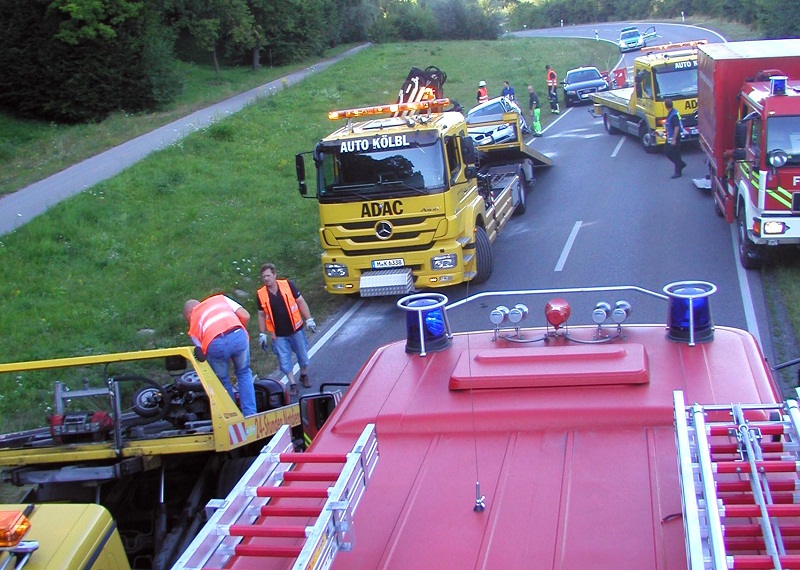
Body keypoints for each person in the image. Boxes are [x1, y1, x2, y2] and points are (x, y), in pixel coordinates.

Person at [184, 294, 256, 416]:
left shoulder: (194, 319)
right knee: (244, 373)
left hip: (215, 344)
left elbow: (201, 352)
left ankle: (233, 415)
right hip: (237, 334)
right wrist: (238, 335)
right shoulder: (220, 299)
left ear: (189, 313)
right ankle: (250, 413)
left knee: (222, 380)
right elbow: (245, 315)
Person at [256, 263, 316, 395]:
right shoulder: (261, 294)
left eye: (268, 275)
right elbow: (261, 314)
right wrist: (262, 333)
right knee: (284, 360)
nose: (266, 279)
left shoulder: (288, 285)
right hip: (278, 334)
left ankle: (304, 375)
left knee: (303, 355)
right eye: (264, 276)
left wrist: (309, 319)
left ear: (274, 275)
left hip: (296, 329)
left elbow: (300, 302)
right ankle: (292, 383)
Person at [664, 98, 687, 179]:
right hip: (671, 136)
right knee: (671, 152)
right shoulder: (673, 112)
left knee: (673, 153)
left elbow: (676, 127)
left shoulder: (673, 115)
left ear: (666, 106)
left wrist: (674, 139)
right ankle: (680, 165)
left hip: (674, 137)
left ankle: (678, 170)